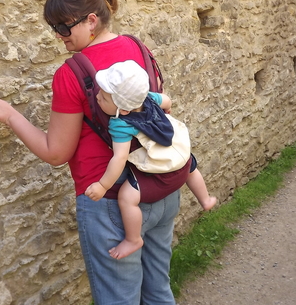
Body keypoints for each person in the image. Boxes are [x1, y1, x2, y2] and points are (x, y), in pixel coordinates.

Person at [0, 0, 185, 305]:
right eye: (53, 28)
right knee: (158, 291)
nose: (58, 36)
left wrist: (11, 115)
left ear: (90, 20)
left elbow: (56, 153)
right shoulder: (137, 47)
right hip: (161, 185)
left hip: (110, 201)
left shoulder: (71, 73)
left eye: (63, 27)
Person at [85, 60, 218, 260]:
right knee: (190, 165)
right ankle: (205, 199)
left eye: (103, 98)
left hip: (161, 172)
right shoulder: (148, 98)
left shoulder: (121, 124)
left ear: (124, 110)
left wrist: (103, 185)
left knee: (126, 198)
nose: (97, 97)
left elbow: (120, 158)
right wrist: (167, 110)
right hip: (180, 159)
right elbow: (167, 101)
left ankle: (133, 239)